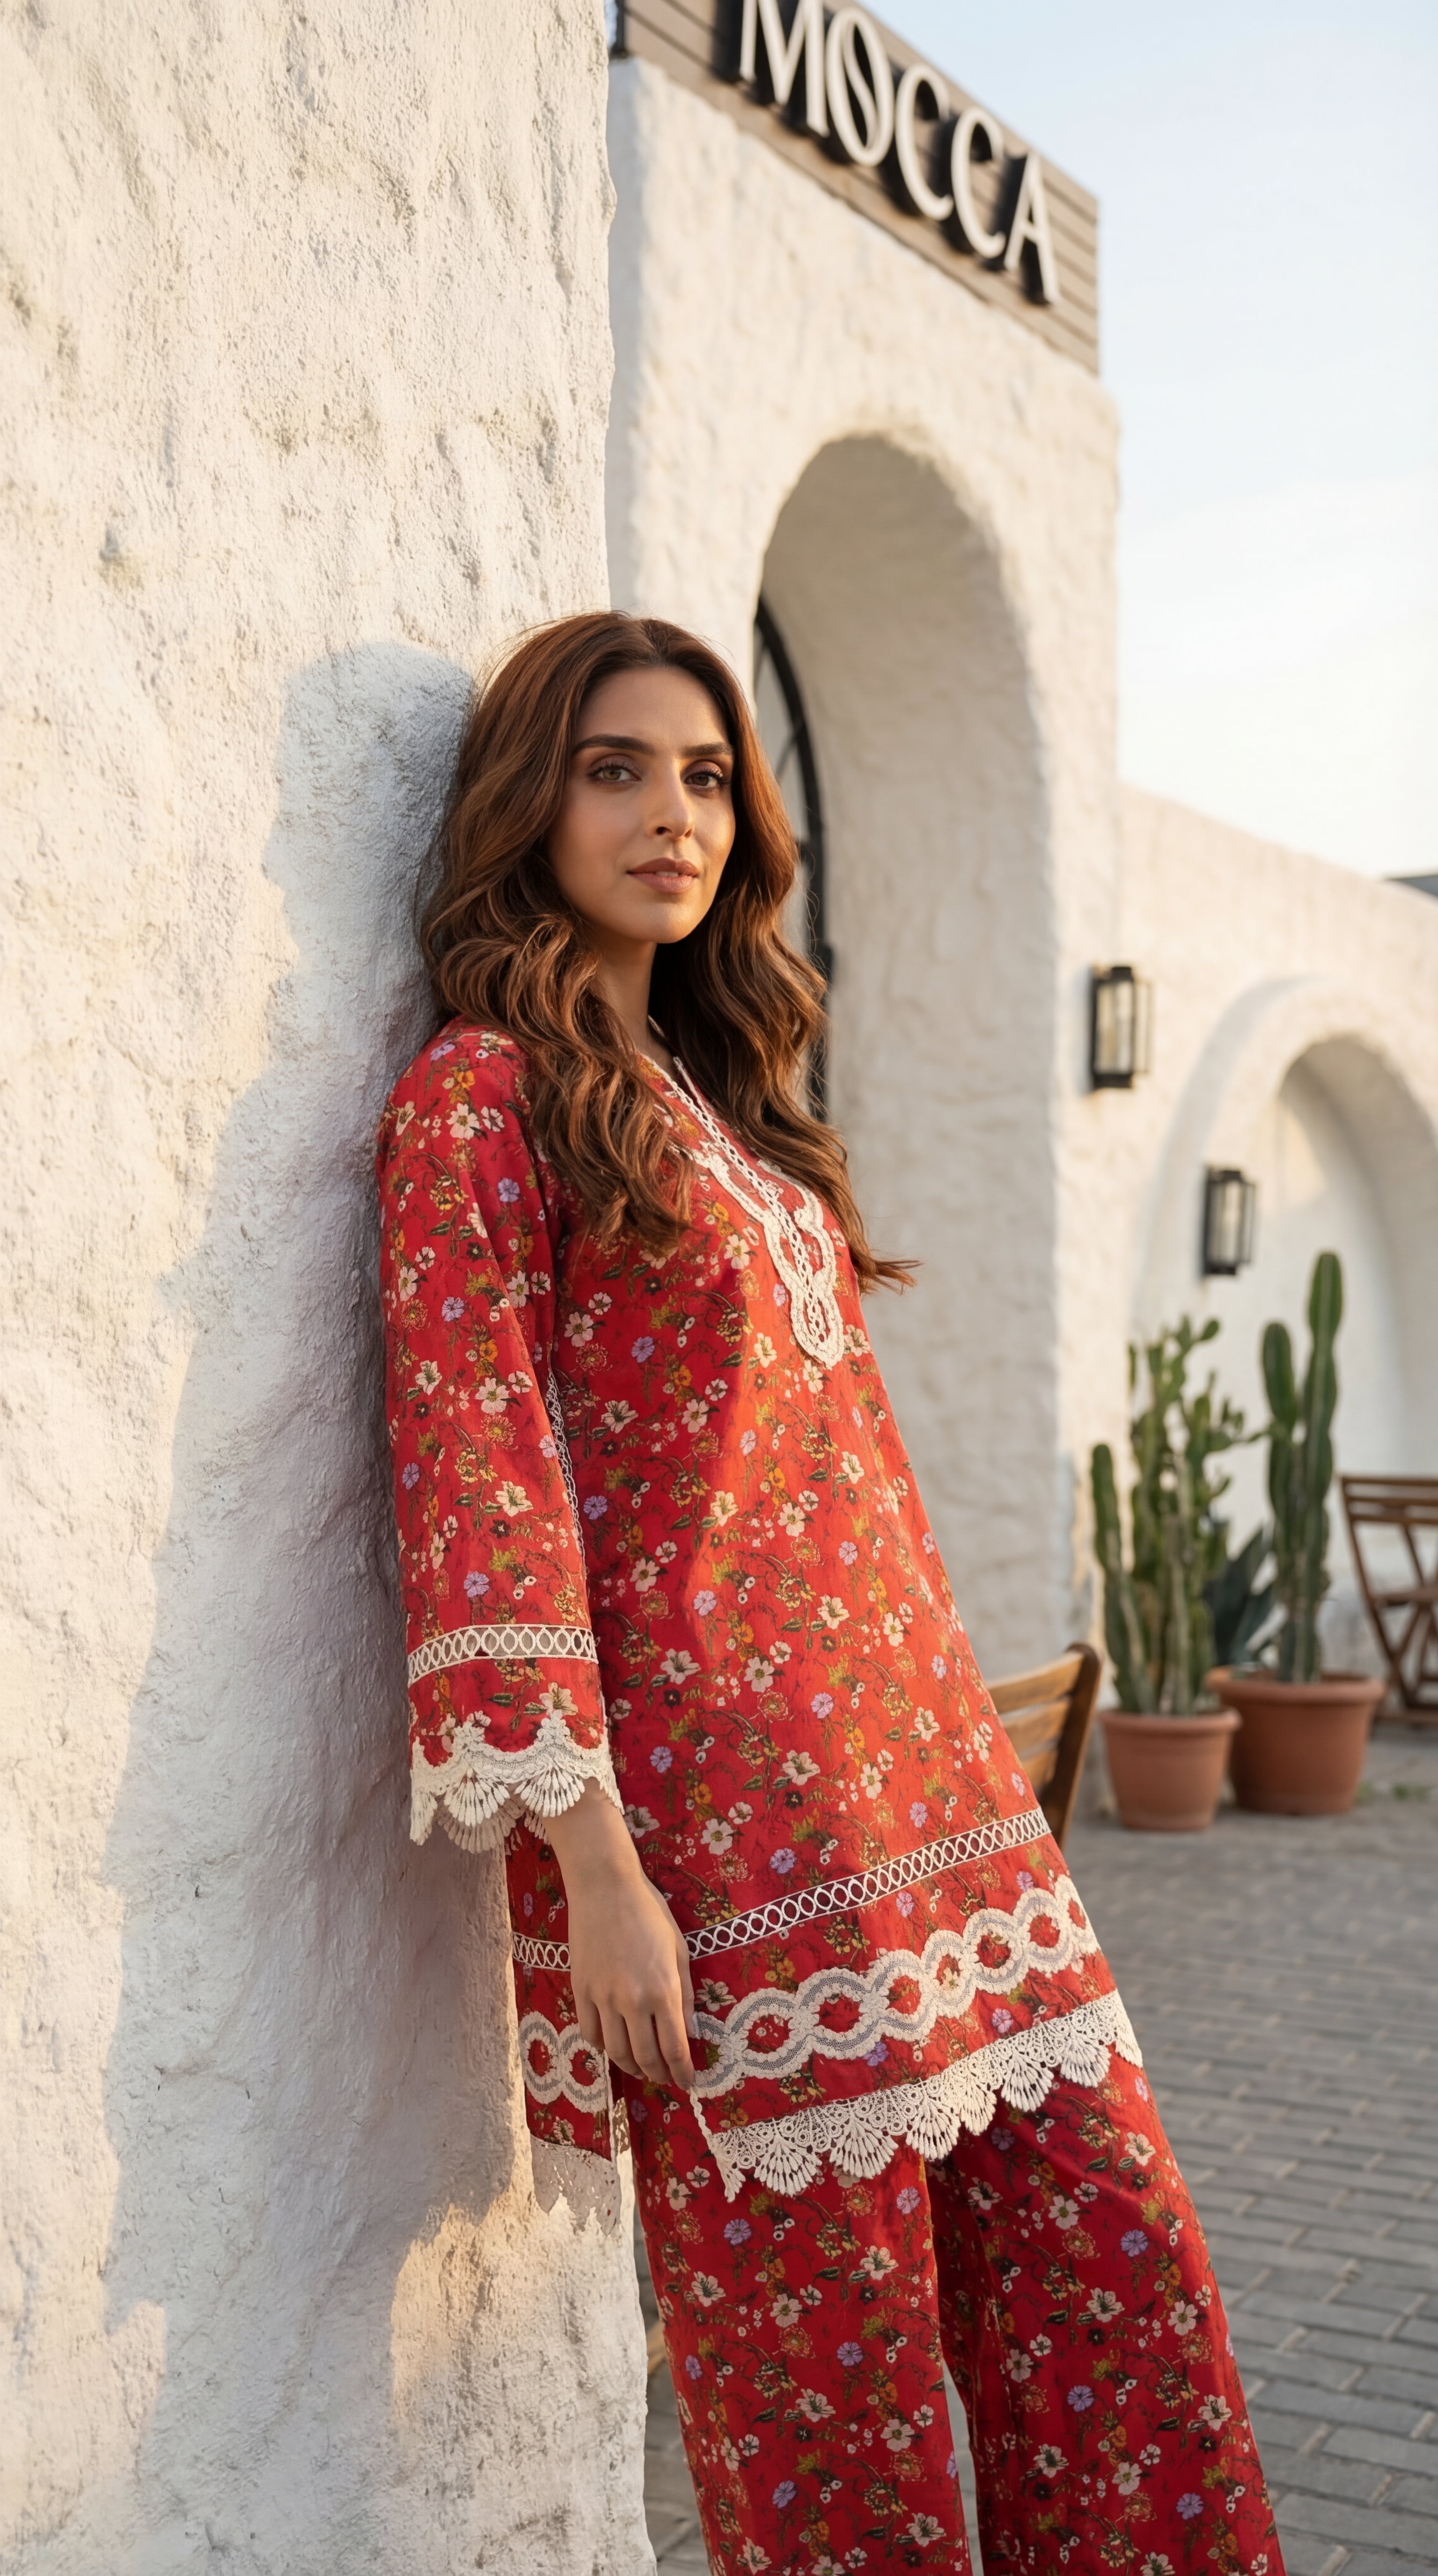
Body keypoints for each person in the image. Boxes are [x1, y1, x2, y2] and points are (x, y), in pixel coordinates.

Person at [377, 611, 1282, 2576]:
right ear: (530, 801)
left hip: (943, 1819)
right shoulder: (480, 1097)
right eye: (615, 768)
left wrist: (993, 1787)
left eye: (705, 775)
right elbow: (488, 1488)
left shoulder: (737, 1107)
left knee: (1123, 2301)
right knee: (833, 2424)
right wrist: (595, 1865)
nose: (670, 813)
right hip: (727, 1855)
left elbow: (849, 1493)